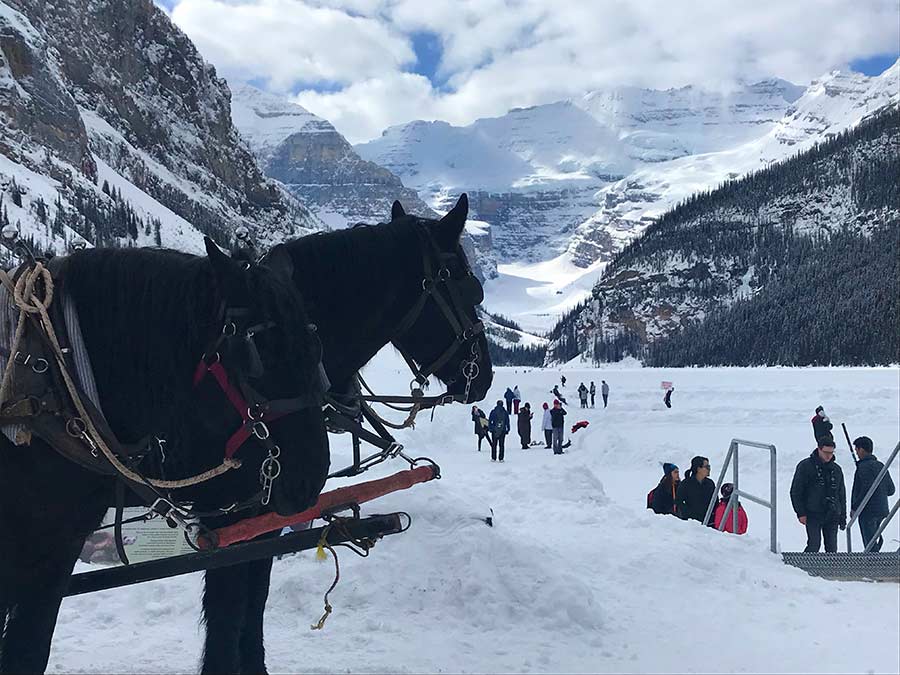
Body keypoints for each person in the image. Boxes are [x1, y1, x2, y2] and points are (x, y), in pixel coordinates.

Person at [790, 434, 847, 553]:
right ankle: (806, 565)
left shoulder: (836, 469)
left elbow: (841, 494)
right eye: (826, 452)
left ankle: (831, 566)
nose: (829, 456)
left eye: (831, 453)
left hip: (832, 513)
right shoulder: (805, 466)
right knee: (814, 544)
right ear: (819, 449)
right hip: (813, 513)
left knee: (832, 548)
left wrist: (842, 516)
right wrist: (801, 512)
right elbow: (796, 491)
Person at [850, 436, 896, 552]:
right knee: (874, 538)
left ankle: (873, 559)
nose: (857, 453)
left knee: (869, 542)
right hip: (882, 510)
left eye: (857, 450)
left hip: (867, 511)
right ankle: (875, 556)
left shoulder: (862, 467)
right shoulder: (880, 466)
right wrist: (880, 492)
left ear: (861, 449)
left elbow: (864, 490)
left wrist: (855, 507)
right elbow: (891, 490)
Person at [676, 456, 715, 523]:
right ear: (698, 469)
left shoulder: (710, 483)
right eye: (707, 467)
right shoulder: (685, 484)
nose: (709, 469)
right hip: (692, 523)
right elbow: (678, 502)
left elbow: (715, 501)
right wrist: (688, 514)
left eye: (709, 467)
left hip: (708, 522)